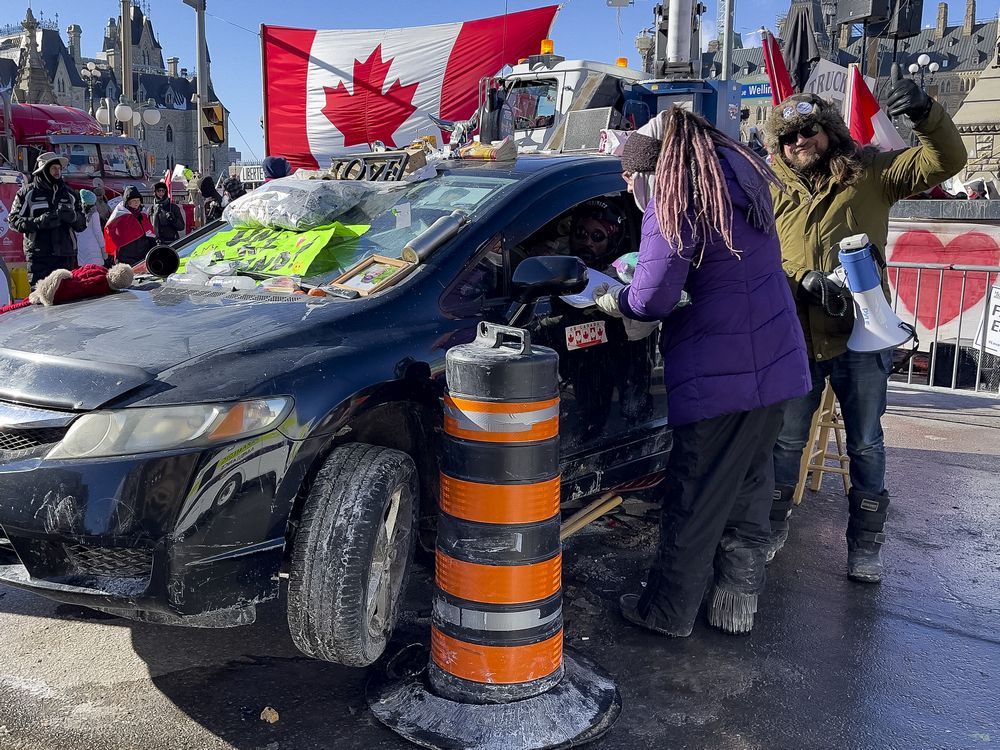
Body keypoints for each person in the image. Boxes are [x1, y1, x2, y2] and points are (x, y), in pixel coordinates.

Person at [593, 107, 811, 636]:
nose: (627, 186)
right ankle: (734, 605)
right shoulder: (735, 179)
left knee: (697, 491)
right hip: (775, 361)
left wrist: (614, 298)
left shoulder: (675, 196)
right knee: (748, 485)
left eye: (629, 175)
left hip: (720, 369)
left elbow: (652, 296)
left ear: (651, 168)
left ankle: (666, 611)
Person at [762, 66, 967, 583]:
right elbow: (756, 256)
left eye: (809, 131)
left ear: (829, 129)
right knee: (785, 444)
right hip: (799, 339)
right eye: (788, 138)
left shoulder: (870, 170)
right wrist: (802, 276)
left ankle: (865, 546)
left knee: (866, 444)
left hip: (863, 336)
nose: (800, 142)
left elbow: (947, 161)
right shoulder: (767, 188)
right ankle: (772, 526)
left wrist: (926, 115)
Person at [9, 152, 87, 286]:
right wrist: (39, 222)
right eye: (53, 168)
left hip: (65, 255)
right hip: (39, 256)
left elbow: (82, 224)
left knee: (67, 298)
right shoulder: (27, 193)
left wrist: (73, 217)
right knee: (40, 299)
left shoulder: (69, 194)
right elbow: (13, 221)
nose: (57, 172)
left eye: (59, 168)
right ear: (43, 170)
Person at [104, 185, 156, 266]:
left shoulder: (143, 214)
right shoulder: (120, 215)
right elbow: (112, 230)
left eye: (138, 200)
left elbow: (149, 231)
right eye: (133, 200)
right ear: (128, 202)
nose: (136, 203)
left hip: (143, 252)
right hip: (126, 254)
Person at [76, 189, 108, 267]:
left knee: (84, 272)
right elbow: (98, 232)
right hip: (94, 247)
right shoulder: (94, 213)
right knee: (95, 271)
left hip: (80, 247)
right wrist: (103, 247)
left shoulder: (77, 213)